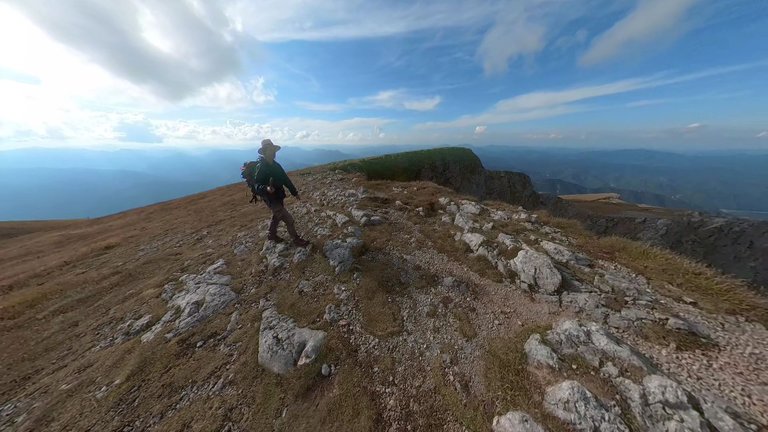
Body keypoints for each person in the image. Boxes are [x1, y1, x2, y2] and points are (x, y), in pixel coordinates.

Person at [252, 139, 310, 247]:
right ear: (265, 152)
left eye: (273, 150)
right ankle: (296, 239)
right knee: (289, 220)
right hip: (271, 199)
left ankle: (271, 234)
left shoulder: (276, 165)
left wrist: (294, 192)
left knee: (277, 215)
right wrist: (266, 188)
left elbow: (285, 179)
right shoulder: (261, 167)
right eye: (270, 150)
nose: (273, 153)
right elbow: (256, 185)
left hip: (279, 196)